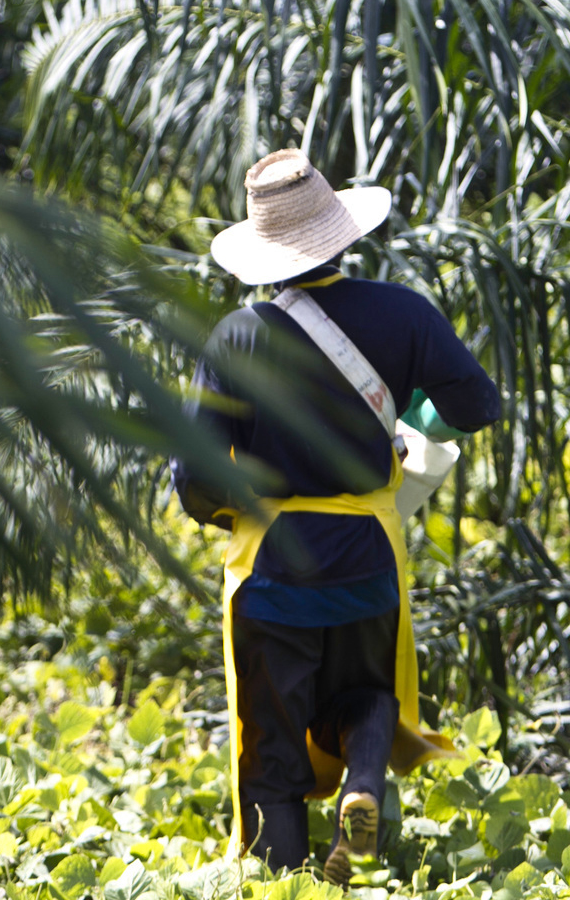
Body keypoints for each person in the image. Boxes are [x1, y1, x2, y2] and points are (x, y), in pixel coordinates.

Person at [170, 149, 502, 884]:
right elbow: (478, 406)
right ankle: (362, 785)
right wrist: (407, 432)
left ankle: (289, 884)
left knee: (272, 766)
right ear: (344, 235)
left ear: (263, 252)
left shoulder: (236, 337)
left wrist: (242, 514)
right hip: (368, 554)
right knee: (367, 696)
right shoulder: (405, 314)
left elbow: (194, 478)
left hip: (272, 569)